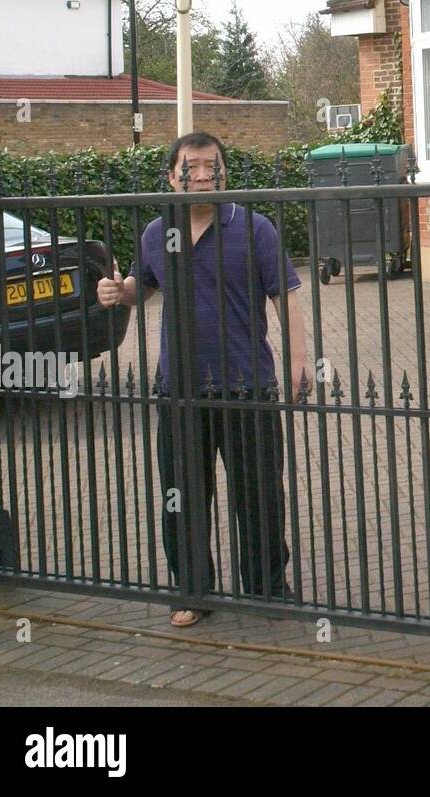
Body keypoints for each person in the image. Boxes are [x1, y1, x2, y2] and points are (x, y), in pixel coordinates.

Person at [98, 131, 306, 626]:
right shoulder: (156, 233)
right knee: (183, 495)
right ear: (171, 177)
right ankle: (192, 590)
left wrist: (299, 360)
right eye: (190, 167)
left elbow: (286, 297)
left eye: (211, 166)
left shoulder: (254, 228)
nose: (202, 175)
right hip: (180, 389)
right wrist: (117, 291)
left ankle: (266, 588)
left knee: (259, 494)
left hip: (247, 383)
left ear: (223, 172)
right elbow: (141, 287)